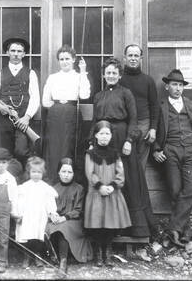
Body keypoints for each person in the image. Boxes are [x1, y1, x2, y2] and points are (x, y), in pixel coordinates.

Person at [90, 57, 155, 238]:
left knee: (127, 179)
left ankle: (133, 228)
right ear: (104, 75)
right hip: (103, 139)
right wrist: (91, 140)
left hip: (121, 138)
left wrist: (129, 140)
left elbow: (133, 119)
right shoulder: (98, 96)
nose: (111, 76)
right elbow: (95, 120)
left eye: (114, 73)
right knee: (106, 177)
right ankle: (109, 229)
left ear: (119, 76)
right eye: (108, 73)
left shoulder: (126, 93)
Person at [152, 69, 192, 247]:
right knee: (175, 190)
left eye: (180, 85)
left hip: (191, 150)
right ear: (167, 86)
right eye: (174, 84)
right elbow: (152, 130)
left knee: (191, 189)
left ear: (183, 88)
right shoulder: (160, 106)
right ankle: (184, 232)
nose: (177, 88)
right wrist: (156, 149)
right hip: (170, 151)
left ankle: (172, 230)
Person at [0, 37, 40, 166]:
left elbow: (35, 98)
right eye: (13, 50)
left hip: (23, 121)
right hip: (4, 122)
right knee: (4, 153)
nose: (16, 54)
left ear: (24, 54)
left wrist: (27, 117)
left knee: (22, 151)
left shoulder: (31, 74)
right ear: (7, 52)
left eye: (19, 51)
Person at [84, 121, 131, 267]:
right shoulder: (90, 154)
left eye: (107, 134)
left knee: (110, 222)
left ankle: (108, 251)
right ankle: (98, 251)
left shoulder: (115, 154)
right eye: (101, 133)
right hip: (97, 193)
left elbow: (120, 172)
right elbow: (89, 172)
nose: (104, 137)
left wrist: (112, 186)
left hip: (112, 193)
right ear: (96, 135)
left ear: (111, 136)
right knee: (98, 223)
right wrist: (99, 186)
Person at [42, 45, 91, 185]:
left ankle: (68, 184)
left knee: (68, 147)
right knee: (53, 149)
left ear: (74, 59)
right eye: (61, 59)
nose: (64, 61)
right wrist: (58, 106)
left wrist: (82, 72)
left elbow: (84, 95)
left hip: (71, 114)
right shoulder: (53, 78)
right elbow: (45, 101)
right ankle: (53, 182)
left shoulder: (78, 76)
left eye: (67, 59)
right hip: (55, 115)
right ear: (58, 61)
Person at [45, 157, 93, 274]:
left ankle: (63, 262)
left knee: (64, 228)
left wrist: (64, 217)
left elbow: (78, 210)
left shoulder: (79, 188)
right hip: (57, 220)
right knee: (47, 227)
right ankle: (53, 256)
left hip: (73, 221)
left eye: (69, 172)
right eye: (63, 171)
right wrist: (53, 215)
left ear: (73, 174)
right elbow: (50, 207)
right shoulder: (53, 189)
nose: (66, 175)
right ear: (58, 172)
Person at [120, 44, 159, 172]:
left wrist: (153, 128)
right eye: (130, 55)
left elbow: (154, 106)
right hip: (124, 124)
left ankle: (138, 191)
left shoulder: (148, 80)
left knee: (140, 164)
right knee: (123, 162)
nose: (133, 58)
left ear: (140, 58)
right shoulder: (119, 79)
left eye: (136, 55)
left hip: (144, 124)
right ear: (124, 58)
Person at [15, 156, 59, 268]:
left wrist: (52, 212)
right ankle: (27, 256)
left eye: (39, 172)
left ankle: (38, 256)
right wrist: (18, 214)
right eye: (33, 172)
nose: (36, 174)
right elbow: (20, 202)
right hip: (28, 216)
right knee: (27, 236)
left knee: (38, 236)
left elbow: (50, 201)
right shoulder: (24, 187)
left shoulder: (45, 188)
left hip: (40, 216)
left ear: (43, 173)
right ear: (29, 172)